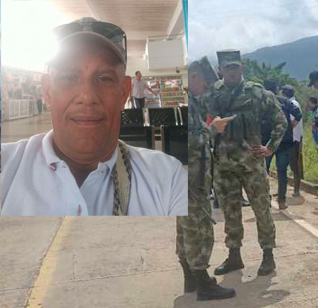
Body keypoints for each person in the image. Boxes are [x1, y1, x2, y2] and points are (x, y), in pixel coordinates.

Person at [0, 17, 187, 216]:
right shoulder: (6, 167)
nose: (87, 97)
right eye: (69, 78)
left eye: (104, 78)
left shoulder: (168, 179)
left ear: (124, 92)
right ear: (46, 91)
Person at [208, 50, 287, 276]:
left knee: (261, 210)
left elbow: (280, 120)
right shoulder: (214, 94)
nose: (231, 72)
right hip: (223, 165)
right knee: (230, 212)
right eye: (227, 68)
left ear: (241, 68)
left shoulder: (256, 92)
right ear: (220, 70)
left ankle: (268, 255)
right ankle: (234, 256)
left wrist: (270, 147)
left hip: (251, 164)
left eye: (235, 67)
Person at [175, 57, 237, 301]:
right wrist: (214, 129)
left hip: (185, 179)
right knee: (199, 229)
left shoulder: (187, 102)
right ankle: (202, 281)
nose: (208, 89)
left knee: (184, 227)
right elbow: (191, 143)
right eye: (206, 84)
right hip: (192, 180)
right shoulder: (187, 105)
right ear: (193, 78)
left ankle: (190, 278)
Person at [261, 79, 302, 210]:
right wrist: (290, 126)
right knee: (282, 171)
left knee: (263, 171)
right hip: (284, 141)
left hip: (267, 142)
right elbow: (298, 113)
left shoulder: (261, 102)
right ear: (277, 89)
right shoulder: (284, 101)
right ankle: (282, 201)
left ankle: (266, 198)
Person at [282, 85, 304, 197]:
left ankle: (296, 189)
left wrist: (288, 128)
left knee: (294, 164)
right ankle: (288, 189)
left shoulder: (292, 104)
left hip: (293, 138)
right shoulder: (294, 103)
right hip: (293, 137)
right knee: (290, 163)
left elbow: (293, 121)